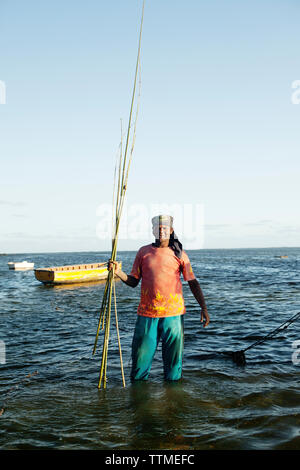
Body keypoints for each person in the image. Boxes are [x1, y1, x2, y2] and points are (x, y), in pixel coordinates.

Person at [108, 214, 209, 382]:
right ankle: (139, 403)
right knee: (139, 366)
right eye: (158, 227)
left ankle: (173, 403)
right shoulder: (143, 252)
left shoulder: (180, 254)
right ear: (153, 230)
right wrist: (118, 272)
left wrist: (204, 308)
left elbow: (192, 282)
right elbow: (133, 281)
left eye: (165, 227)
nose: (161, 230)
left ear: (171, 230)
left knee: (173, 368)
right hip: (147, 315)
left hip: (173, 316)